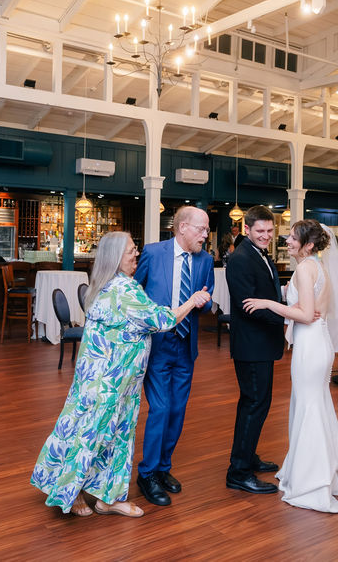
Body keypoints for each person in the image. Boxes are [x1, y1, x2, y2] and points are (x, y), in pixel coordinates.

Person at [30, 232, 210, 518]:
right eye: (131, 250)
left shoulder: (110, 283)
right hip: (107, 382)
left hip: (115, 380)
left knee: (112, 436)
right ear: (115, 257)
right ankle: (70, 492)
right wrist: (193, 300)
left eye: (135, 249)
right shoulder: (123, 289)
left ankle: (108, 497)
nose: (136, 254)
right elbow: (162, 319)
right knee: (91, 435)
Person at [241, 219, 338, 513]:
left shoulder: (306, 269)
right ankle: (316, 472)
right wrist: (288, 299)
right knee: (313, 405)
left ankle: (312, 482)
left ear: (308, 244)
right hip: (318, 343)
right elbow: (310, 308)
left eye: (293, 238)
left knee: (309, 408)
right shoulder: (317, 267)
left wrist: (268, 303)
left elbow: (306, 315)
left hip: (310, 346)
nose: (287, 241)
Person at [134, 206, 215, 507]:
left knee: (178, 409)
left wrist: (205, 302)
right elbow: (136, 292)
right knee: (161, 408)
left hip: (185, 345)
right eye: (201, 229)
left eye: (207, 230)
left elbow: (207, 300)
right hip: (157, 344)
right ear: (183, 227)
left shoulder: (206, 260)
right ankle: (147, 474)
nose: (205, 236)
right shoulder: (153, 253)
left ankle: (162, 468)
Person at [225, 205, 288, 495]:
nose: (266, 235)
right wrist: (288, 317)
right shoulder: (240, 258)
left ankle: (248, 457)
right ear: (247, 229)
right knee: (254, 405)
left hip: (262, 343)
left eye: (269, 231)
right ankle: (238, 472)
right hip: (251, 345)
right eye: (260, 231)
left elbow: (267, 295)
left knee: (256, 404)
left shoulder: (259, 254)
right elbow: (247, 306)